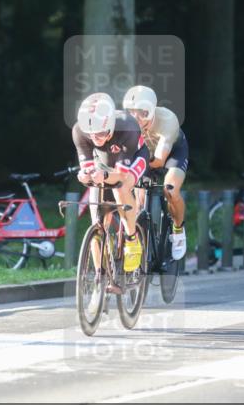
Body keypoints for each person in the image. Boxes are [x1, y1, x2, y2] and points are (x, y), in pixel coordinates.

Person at [72, 93, 149, 272]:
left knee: (120, 189)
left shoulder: (127, 126)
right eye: (91, 135)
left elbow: (121, 175)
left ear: (111, 124)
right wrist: (85, 176)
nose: (95, 139)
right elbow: (89, 169)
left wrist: (104, 177)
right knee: (96, 218)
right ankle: (100, 276)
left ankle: (132, 238)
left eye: (100, 133)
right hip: (104, 162)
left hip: (134, 157)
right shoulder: (79, 130)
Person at [122, 85, 189, 260]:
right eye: (131, 112)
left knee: (170, 189)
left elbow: (159, 160)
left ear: (152, 110)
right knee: (138, 204)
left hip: (172, 153)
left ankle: (178, 229)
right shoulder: (123, 123)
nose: (136, 118)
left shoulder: (167, 119)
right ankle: (141, 245)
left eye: (142, 112)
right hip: (145, 155)